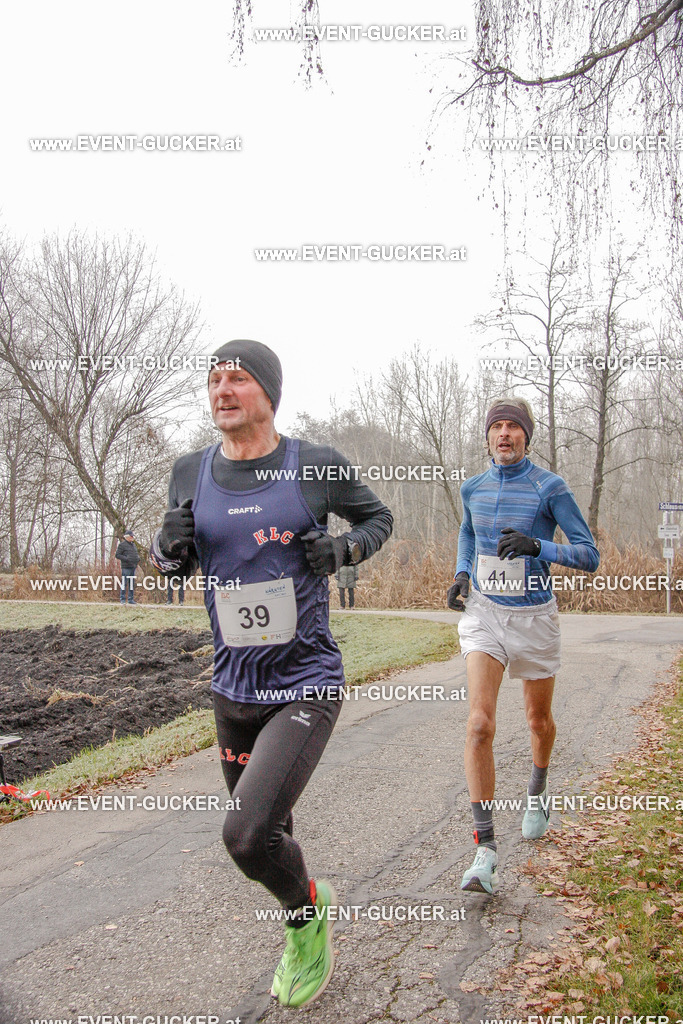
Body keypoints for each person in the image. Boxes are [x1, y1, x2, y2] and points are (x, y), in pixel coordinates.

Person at [150, 340, 392, 1007]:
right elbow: (173, 561)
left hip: (304, 683)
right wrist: (167, 553)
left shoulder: (312, 465)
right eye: (213, 380)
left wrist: (342, 548)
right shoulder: (187, 471)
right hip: (233, 690)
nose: (221, 390)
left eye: (238, 379)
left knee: (246, 834)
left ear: (268, 393)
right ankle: (309, 905)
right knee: (267, 836)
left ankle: (305, 924)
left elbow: (378, 518)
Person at [447, 396, 599, 895]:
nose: (505, 434)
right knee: (479, 723)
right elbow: (468, 535)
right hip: (485, 614)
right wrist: (462, 574)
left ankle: (537, 791)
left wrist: (540, 547)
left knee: (537, 721)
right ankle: (485, 851)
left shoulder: (549, 487)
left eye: (514, 426)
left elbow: (589, 555)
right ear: (487, 437)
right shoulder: (473, 487)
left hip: (534, 616)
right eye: (498, 427)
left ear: (526, 436)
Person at [115, 530, 139, 606]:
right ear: (127, 537)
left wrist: (138, 558)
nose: (132, 537)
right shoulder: (122, 545)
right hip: (126, 567)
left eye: (133, 536)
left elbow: (135, 554)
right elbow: (117, 555)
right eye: (131, 536)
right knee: (124, 583)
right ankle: (122, 599)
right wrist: (126, 558)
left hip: (133, 566)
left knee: (131, 583)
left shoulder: (133, 545)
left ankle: (130, 599)